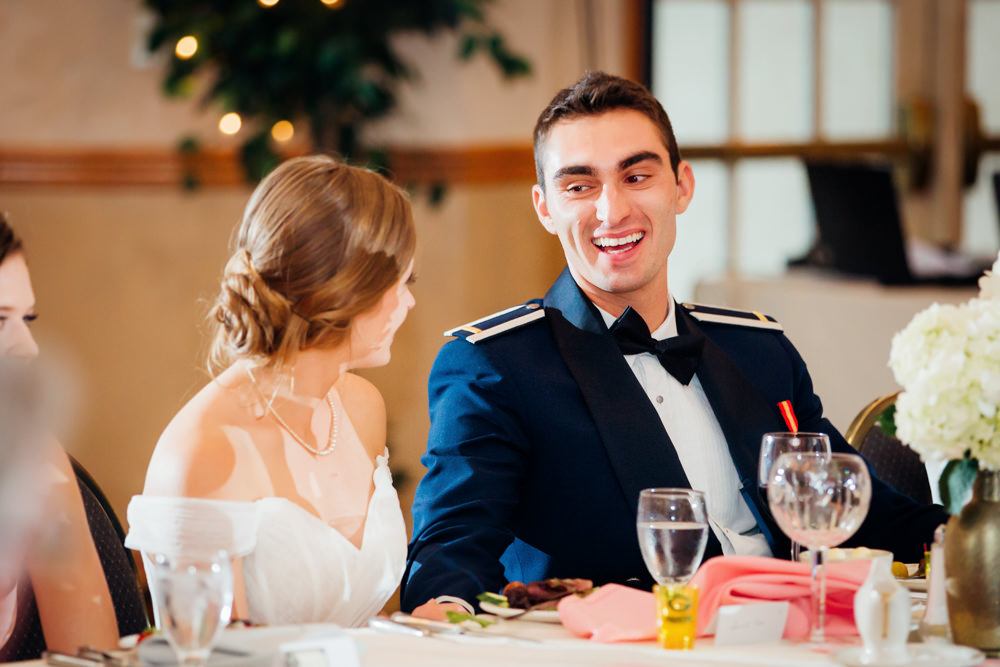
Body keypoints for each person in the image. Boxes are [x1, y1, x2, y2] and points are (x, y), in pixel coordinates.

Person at [401, 71, 948, 616]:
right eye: (579, 186)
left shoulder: (758, 351)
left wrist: (971, 534)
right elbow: (452, 544)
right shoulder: (496, 366)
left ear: (681, 186)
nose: (612, 211)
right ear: (545, 207)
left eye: (636, 177)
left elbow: (866, 513)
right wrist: (445, 608)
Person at [126, 155, 416, 628]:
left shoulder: (362, 408)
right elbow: (204, 655)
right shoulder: (204, 450)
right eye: (402, 282)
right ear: (346, 289)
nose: (409, 302)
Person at [0, 214, 120, 659]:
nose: (27, 346)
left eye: (27, 318)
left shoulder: (38, 460)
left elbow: (92, 657)